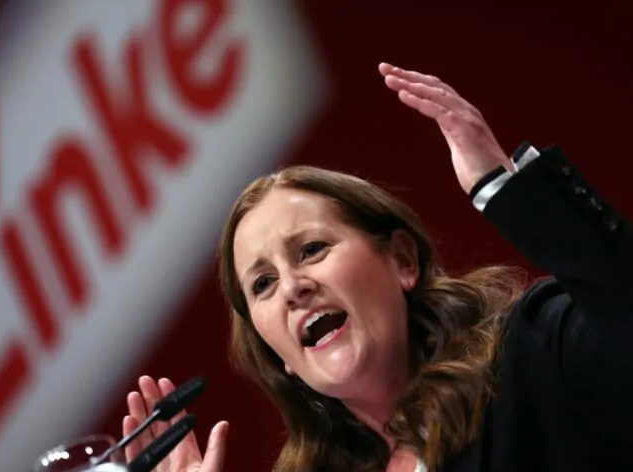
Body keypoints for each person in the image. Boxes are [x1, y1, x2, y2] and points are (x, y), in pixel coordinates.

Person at [120, 63, 633, 472]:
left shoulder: (531, 353)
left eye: (311, 250)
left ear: (402, 260)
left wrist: (503, 190)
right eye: (263, 283)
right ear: (276, 355)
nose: (293, 288)